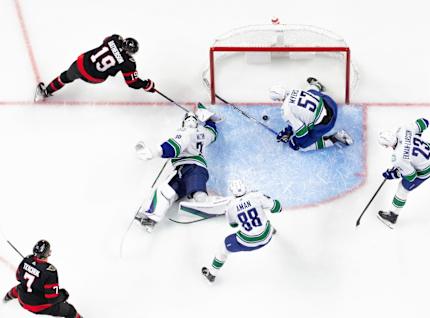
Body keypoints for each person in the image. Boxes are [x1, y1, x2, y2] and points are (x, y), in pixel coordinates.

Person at [134, 103, 221, 232]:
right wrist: (210, 121)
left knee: (193, 187)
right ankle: (151, 218)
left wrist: (154, 152)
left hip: (190, 167)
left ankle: (203, 202)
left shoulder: (184, 132)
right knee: (166, 190)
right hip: (187, 170)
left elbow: (173, 147)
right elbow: (212, 134)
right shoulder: (203, 133)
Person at [201, 179, 282, 283]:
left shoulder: (230, 206)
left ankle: (212, 274)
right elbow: (277, 208)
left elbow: (233, 225)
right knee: (263, 220)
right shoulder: (257, 195)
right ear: (245, 187)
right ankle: (272, 230)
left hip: (248, 242)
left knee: (223, 248)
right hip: (267, 236)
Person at [35, 34, 156, 101]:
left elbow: (106, 40)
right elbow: (132, 82)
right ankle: (47, 91)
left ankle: (46, 92)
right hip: (95, 78)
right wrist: (146, 85)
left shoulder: (115, 39)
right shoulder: (129, 63)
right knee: (79, 75)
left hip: (82, 65)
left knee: (65, 77)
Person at [377, 118, 430, 228]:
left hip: (429, 168)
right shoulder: (404, 129)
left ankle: (392, 217)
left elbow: (411, 176)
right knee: (412, 160)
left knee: (403, 188)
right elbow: (424, 122)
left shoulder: (398, 158)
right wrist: (412, 138)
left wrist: (393, 174)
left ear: (387, 146)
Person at [3, 240, 82, 318]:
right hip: (37, 306)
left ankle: (7, 297)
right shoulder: (50, 271)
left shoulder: (27, 259)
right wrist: (63, 295)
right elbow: (52, 298)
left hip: (22, 299)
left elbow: (18, 277)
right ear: (47, 253)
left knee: (19, 288)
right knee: (70, 311)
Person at [270, 77, 353, 151]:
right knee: (310, 92)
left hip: (326, 124)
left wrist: (294, 142)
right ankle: (317, 86)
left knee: (303, 146)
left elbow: (302, 133)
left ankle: (335, 138)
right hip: (332, 105)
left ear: (277, 99)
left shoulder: (286, 111)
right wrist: (289, 130)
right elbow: (299, 112)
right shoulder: (295, 90)